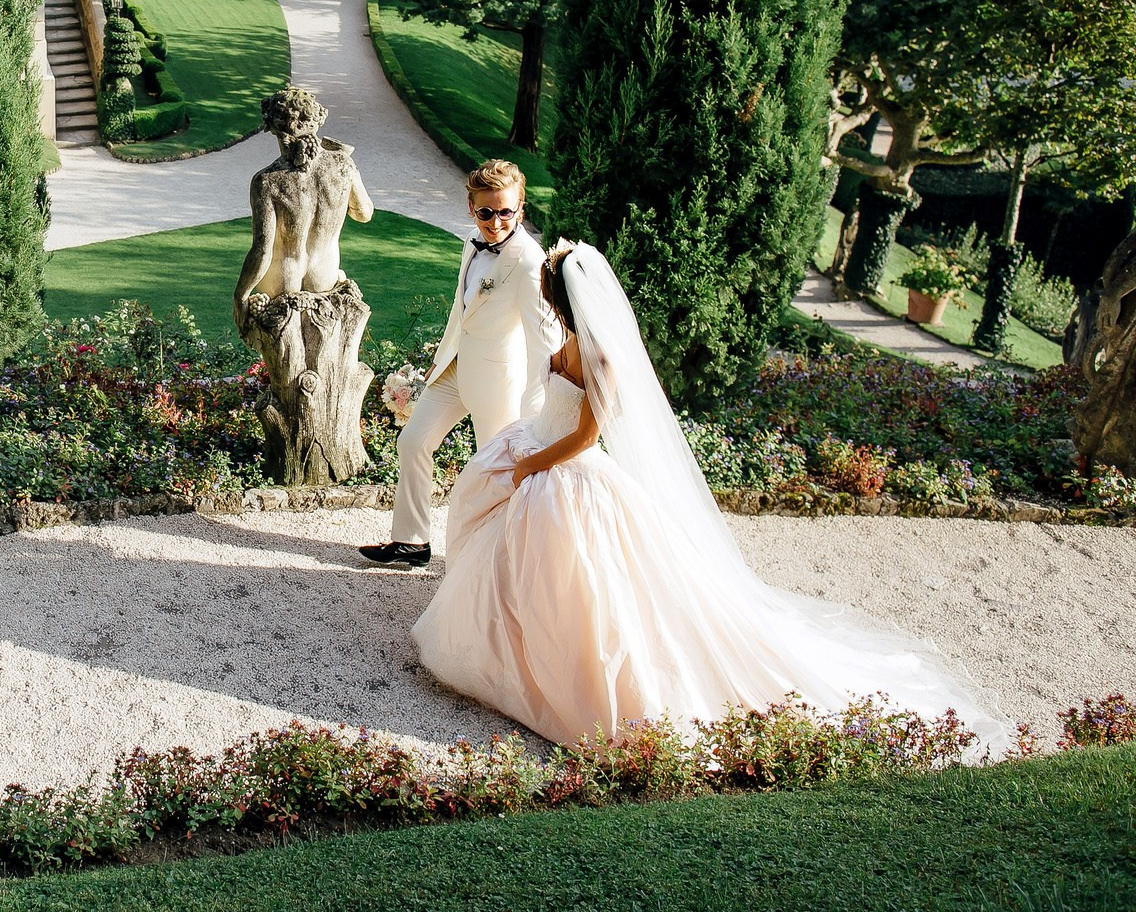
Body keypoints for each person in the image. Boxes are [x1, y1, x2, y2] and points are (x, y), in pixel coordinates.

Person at [412, 241, 1008, 749]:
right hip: (535, 450)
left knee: (576, 585)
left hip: (567, 470)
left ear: (561, 298)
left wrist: (534, 465)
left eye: (548, 291)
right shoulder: (566, 336)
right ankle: (508, 649)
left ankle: (558, 676)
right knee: (514, 564)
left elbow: (591, 432)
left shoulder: (598, 354)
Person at [359, 159, 560, 568]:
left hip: (499, 383)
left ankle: (494, 563)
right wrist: (439, 360)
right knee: (413, 441)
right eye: (486, 212)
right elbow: (460, 309)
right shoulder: (472, 240)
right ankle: (412, 542)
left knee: (495, 475)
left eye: (506, 211)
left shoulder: (528, 262)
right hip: (455, 367)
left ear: (520, 209)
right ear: (472, 209)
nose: (495, 221)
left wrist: (537, 413)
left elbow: (547, 343)